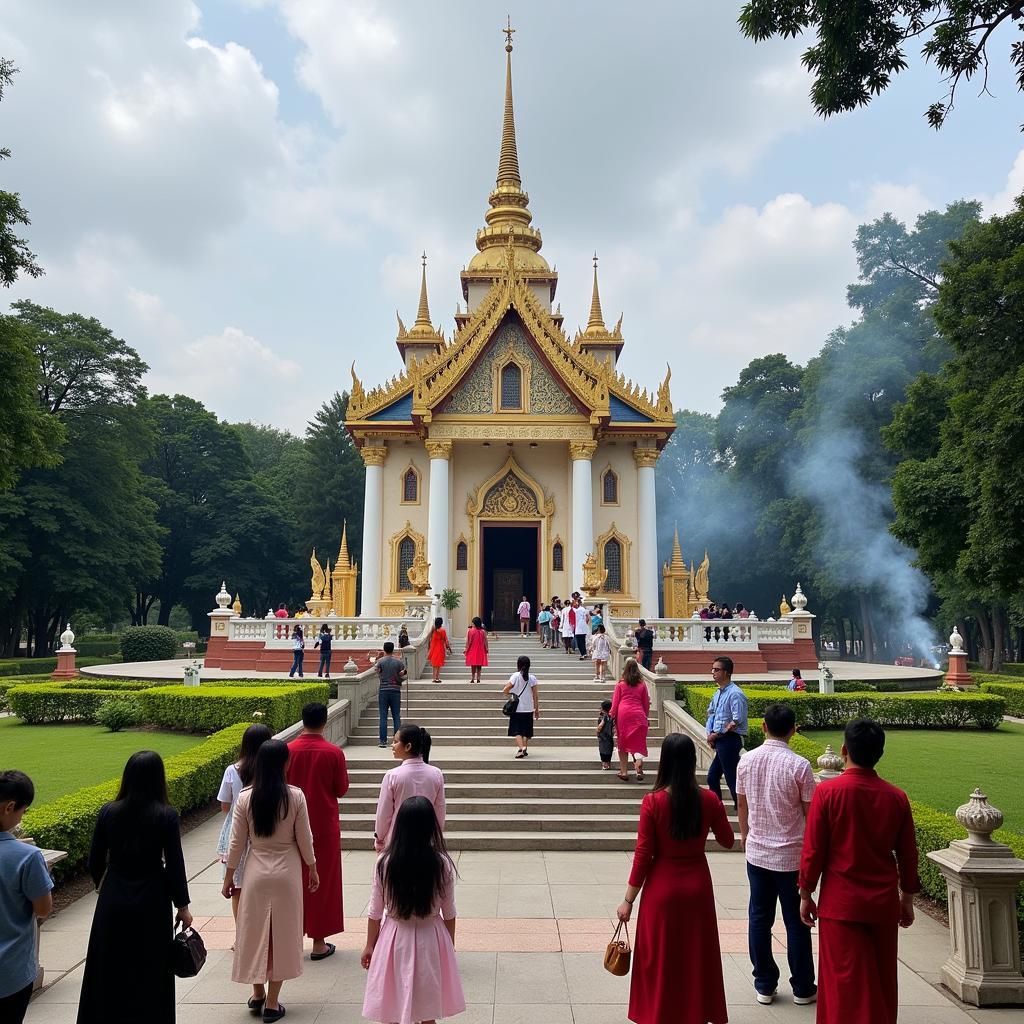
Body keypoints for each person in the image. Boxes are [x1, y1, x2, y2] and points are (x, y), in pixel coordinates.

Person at [799, 718, 920, 1024]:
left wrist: (805, 892)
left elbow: (814, 850)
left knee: (841, 986)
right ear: (880, 753)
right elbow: (907, 855)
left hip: (841, 904)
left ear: (844, 751)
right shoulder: (896, 797)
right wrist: (906, 899)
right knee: (879, 982)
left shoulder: (829, 793)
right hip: (881, 904)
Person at [615, 733, 735, 1024]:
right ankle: (695, 1012)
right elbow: (728, 841)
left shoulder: (653, 802)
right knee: (695, 954)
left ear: (665, 762)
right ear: (693, 762)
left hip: (662, 888)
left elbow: (643, 855)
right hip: (697, 885)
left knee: (661, 956)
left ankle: (660, 1013)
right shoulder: (709, 799)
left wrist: (628, 900)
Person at [78, 752, 192, 1024]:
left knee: (109, 965)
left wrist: (102, 885)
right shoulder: (166, 815)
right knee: (151, 967)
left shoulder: (109, 811)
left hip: (114, 895)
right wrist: (183, 905)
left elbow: (94, 859)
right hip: (152, 897)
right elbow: (175, 864)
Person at [225, 740, 318, 1022]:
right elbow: (305, 838)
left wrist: (229, 877)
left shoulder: (245, 797)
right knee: (283, 935)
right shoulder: (295, 796)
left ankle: (257, 992)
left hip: (256, 871)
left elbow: (236, 843)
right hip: (287, 871)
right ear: (284, 764)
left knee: (253, 931)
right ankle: (273, 1003)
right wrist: (312, 868)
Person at [736, 704, 817, 1006]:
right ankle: (803, 987)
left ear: (762, 727)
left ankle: (764, 984)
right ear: (793, 730)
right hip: (792, 856)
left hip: (757, 852)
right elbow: (811, 816)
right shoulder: (800, 765)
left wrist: (746, 837)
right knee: (796, 922)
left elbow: (742, 805)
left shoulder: (747, 762)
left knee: (759, 918)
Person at [361, 796, 465, 1024]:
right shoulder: (441, 863)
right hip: (431, 937)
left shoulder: (384, 863)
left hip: (394, 938)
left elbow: (375, 911)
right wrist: (450, 944)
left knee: (392, 1007)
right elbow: (449, 912)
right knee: (427, 1010)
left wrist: (370, 945)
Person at [287, 702, 350, 961]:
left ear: (302, 720)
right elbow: (341, 789)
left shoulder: (287, 751)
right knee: (322, 882)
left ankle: (289, 938)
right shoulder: (333, 752)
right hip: (322, 825)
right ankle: (318, 942)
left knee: (292, 881)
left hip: (289, 824)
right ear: (325, 722)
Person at [0, 771, 52, 1024]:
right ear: (9, 807)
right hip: (10, 972)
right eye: (23, 811)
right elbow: (43, 908)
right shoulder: (27, 856)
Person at [216, 722, 273, 920]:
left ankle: (241, 936)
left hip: (236, 830)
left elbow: (225, 806)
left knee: (237, 888)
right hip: (265, 829)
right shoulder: (271, 771)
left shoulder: (232, 770)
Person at [374, 724, 446, 851]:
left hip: (397, 841)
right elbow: (439, 811)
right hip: (427, 840)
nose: (392, 745)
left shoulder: (392, 776)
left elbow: (384, 813)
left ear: (408, 746)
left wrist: (379, 839)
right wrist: (436, 838)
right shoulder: (436, 774)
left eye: (396, 742)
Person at [705, 655, 747, 806]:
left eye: (717, 669)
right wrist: (709, 733)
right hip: (720, 740)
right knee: (712, 777)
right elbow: (711, 714)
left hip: (729, 740)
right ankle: (718, 810)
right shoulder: (718, 693)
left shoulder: (735, 693)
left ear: (727, 672)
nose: (713, 672)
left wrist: (716, 734)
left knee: (732, 779)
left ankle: (742, 809)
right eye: (713, 669)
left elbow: (736, 720)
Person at [611, 657, 651, 781]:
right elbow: (646, 703)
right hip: (639, 715)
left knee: (623, 744)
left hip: (624, 715)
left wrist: (612, 716)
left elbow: (615, 703)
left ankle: (624, 772)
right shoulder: (642, 685)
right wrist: (646, 716)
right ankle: (638, 766)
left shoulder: (621, 684)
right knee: (638, 743)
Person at [502, 655, 540, 759]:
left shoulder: (515, 676)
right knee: (526, 730)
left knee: (517, 730)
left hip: (517, 708)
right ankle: (524, 747)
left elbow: (505, 689)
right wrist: (536, 709)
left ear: (518, 665)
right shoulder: (532, 678)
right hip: (528, 708)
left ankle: (521, 748)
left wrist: (512, 694)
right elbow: (535, 695)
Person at [376, 641, 408, 747]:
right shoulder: (398, 662)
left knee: (383, 717)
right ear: (393, 649)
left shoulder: (380, 661)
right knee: (396, 716)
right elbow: (403, 673)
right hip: (395, 690)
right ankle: (397, 741)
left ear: (384, 649)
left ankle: (382, 741)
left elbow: (376, 670)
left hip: (383, 690)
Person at [464, 616, 489, 684]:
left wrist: (466, 649)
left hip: (473, 649)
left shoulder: (470, 631)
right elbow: (485, 641)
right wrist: (487, 648)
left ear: (474, 623)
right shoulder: (483, 631)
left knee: (473, 665)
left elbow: (468, 641)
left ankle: (472, 678)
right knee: (479, 665)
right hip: (481, 650)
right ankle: (478, 678)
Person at [427, 617, 451, 684]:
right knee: (438, 665)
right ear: (441, 623)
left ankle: (434, 678)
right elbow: (446, 640)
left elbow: (429, 637)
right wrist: (448, 647)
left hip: (433, 649)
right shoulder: (442, 631)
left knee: (434, 664)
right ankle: (437, 678)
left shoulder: (433, 630)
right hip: (440, 649)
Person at [596, 699, 615, 770]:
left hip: (603, 737)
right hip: (609, 737)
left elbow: (600, 726)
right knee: (609, 750)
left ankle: (605, 765)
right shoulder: (611, 717)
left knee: (603, 750)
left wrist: (597, 731)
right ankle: (609, 764)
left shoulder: (604, 717)